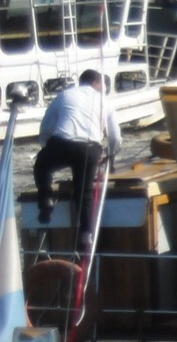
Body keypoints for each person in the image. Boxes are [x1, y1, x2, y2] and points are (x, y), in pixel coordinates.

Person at [33, 69, 121, 244]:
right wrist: (110, 155)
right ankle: (86, 234)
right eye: (103, 84)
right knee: (84, 191)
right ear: (95, 83)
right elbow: (115, 137)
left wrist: (46, 147)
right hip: (90, 149)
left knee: (41, 166)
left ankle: (46, 200)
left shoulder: (65, 95)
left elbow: (46, 126)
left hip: (63, 143)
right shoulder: (105, 102)